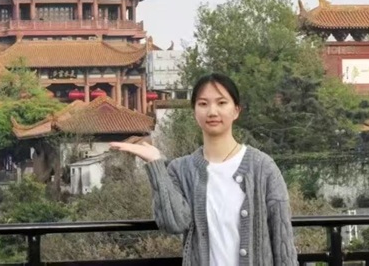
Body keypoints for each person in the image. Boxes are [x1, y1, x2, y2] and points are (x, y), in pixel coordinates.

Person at [110, 72, 298, 266]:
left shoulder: (262, 168)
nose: (212, 111)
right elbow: (173, 223)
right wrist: (155, 164)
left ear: (236, 110)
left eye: (221, 103)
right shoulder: (181, 169)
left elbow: (283, 241)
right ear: (194, 112)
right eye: (203, 104)